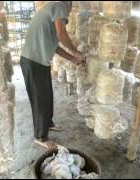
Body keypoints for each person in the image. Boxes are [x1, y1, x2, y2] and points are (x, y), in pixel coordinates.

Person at [20, 1, 85, 149]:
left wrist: (73, 59)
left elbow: (55, 46)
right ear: (69, 4)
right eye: (70, 10)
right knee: (39, 99)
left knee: (47, 95)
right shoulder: (59, 6)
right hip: (32, 61)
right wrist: (76, 51)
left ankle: (47, 124)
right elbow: (62, 34)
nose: (67, 16)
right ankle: (40, 136)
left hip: (39, 62)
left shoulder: (53, 11)